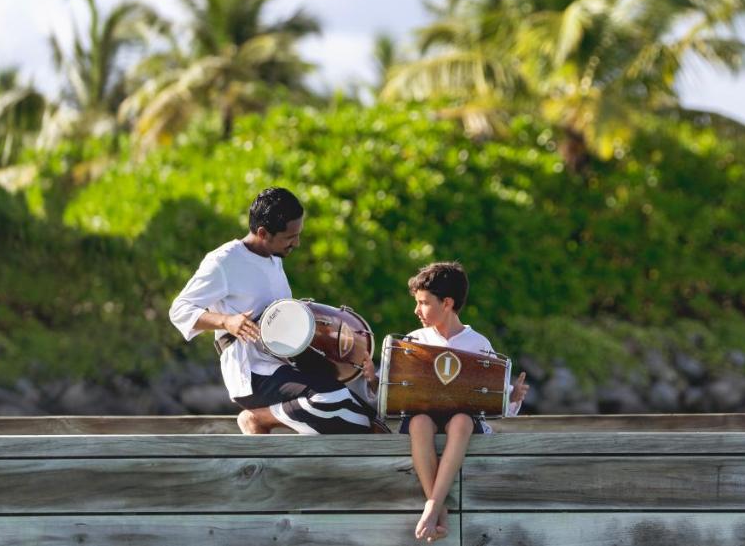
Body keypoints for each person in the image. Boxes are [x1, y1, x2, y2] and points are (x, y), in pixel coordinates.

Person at [168, 187, 384, 434]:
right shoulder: (223, 261)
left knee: (364, 414)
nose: (297, 242)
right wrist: (227, 321)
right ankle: (257, 420)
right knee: (338, 405)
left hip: (284, 365)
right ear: (263, 233)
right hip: (252, 373)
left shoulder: (274, 258)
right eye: (290, 237)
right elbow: (180, 310)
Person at [401, 261, 529, 542]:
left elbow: (496, 397)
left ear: (447, 303)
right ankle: (435, 503)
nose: (416, 311)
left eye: (423, 303)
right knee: (419, 422)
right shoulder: (414, 340)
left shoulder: (478, 343)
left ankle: (432, 506)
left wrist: (513, 397)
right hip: (426, 417)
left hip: (463, 421)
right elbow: (397, 390)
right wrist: (375, 382)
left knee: (461, 421)